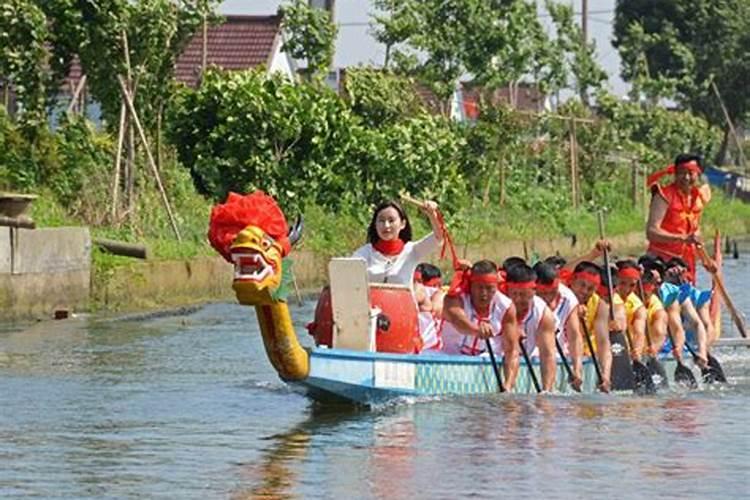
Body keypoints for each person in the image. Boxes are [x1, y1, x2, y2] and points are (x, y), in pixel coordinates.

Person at [441, 260, 519, 391]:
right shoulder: (454, 299)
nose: (484, 293)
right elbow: (459, 322)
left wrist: (508, 385)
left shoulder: (506, 307)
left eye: (489, 288)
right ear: (471, 285)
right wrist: (476, 330)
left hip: (484, 363)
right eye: (479, 287)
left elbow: (512, 351)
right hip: (449, 360)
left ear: (496, 286)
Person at [646, 153, 713, 282]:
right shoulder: (663, 196)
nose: (686, 177)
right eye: (681, 173)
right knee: (678, 301)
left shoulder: (698, 199)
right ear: (675, 173)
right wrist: (682, 238)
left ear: (698, 174)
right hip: (662, 261)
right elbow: (651, 232)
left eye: (690, 173)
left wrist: (707, 261)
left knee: (694, 299)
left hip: (687, 262)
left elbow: (695, 235)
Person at [353, 200, 443, 286]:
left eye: (391, 220)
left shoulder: (412, 250)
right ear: (375, 224)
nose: (386, 225)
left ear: (402, 224)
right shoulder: (365, 253)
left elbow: (438, 237)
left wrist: (432, 215)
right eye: (381, 220)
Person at [505, 263, 558, 392]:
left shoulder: (543, 313)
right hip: (495, 356)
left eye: (523, 295)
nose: (517, 299)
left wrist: (546, 391)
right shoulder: (499, 303)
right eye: (514, 293)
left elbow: (548, 355)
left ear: (534, 291)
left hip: (523, 359)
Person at [534, 261, 583, 390]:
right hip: (528, 354)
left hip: (556, 355)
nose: (548, 298)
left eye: (553, 292)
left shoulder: (568, 297)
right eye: (543, 293)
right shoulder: (525, 295)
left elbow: (574, 336)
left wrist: (577, 369)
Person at [566, 260, 614, 392]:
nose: (584, 291)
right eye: (582, 285)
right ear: (572, 281)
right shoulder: (561, 296)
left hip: (583, 354)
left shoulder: (600, 306)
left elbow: (603, 343)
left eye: (590, 288)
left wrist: (605, 375)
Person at [614, 259, 647, 363]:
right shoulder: (607, 297)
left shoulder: (638, 305)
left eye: (632, 285)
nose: (626, 289)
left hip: (623, 351)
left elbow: (639, 333)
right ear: (615, 280)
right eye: (622, 283)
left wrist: (637, 350)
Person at [413, 263, 446, 353]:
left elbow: (436, 308)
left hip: (431, 348)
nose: (438, 287)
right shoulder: (421, 290)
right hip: (422, 347)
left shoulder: (438, 295)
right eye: (435, 285)